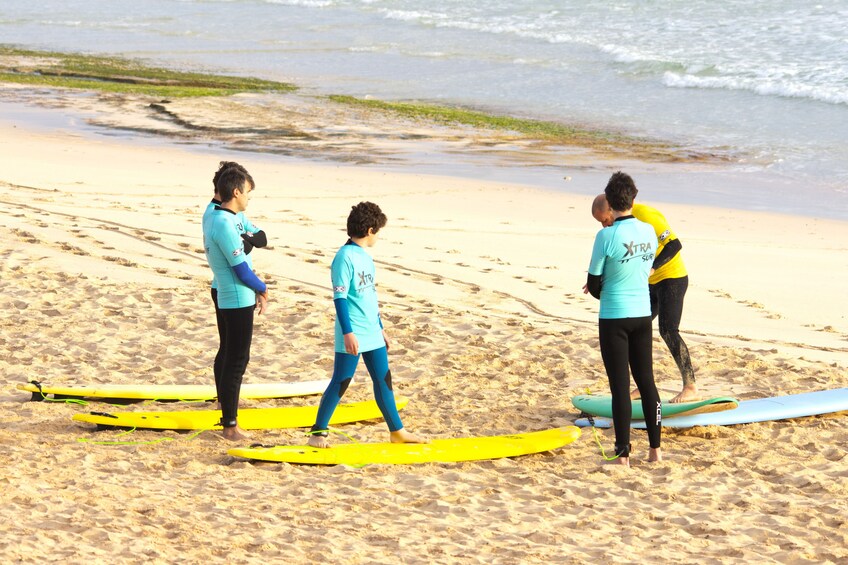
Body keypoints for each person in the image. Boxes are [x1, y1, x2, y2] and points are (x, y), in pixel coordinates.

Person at [307, 202, 426, 448]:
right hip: (353, 330)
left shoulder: (365, 257)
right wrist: (348, 333)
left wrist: (380, 327)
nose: (378, 236)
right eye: (378, 231)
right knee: (342, 379)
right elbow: (339, 297)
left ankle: (397, 431)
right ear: (370, 230)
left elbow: (369, 296)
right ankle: (318, 433)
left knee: (383, 378)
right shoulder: (344, 258)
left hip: (372, 329)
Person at [589, 187, 696, 403]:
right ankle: (643, 385)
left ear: (611, 207)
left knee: (668, 330)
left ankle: (690, 386)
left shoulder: (646, 216)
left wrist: (654, 268)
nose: (605, 225)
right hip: (648, 284)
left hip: (672, 278)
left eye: (605, 219)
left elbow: (675, 244)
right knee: (635, 330)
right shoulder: (620, 228)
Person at [585, 171, 662, 466]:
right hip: (642, 314)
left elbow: (593, 286)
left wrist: (606, 286)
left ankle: (623, 455)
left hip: (614, 316)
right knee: (646, 382)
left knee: (620, 386)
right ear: (633, 198)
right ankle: (655, 450)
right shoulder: (648, 231)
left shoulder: (606, 235)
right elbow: (643, 269)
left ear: (610, 202)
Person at [202, 166, 269, 441]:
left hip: (226, 291)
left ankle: (223, 404)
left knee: (228, 353)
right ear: (237, 192)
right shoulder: (224, 224)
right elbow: (242, 270)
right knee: (237, 360)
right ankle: (230, 426)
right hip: (236, 296)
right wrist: (263, 289)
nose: (250, 198)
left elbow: (258, 240)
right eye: (248, 192)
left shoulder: (217, 214)